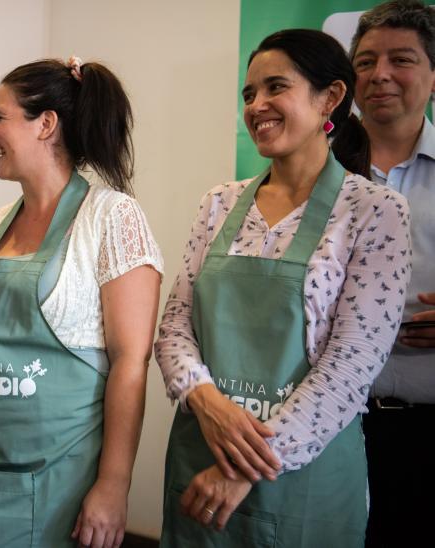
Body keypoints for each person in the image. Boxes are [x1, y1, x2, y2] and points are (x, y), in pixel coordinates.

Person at [155, 29, 411, 546]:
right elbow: (174, 325)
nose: (257, 106)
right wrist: (207, 403)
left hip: (301, 475)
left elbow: (351, 366)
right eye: (249, 94)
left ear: (331, 98)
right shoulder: (218, 204)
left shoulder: (375, 211)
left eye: (276, 88)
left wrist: (245, 466)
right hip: (201, 453)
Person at [0, 57, 163, 548]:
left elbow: (130, 363)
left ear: (46, 124)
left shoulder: (111, 218)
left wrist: (114, 485)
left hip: (57, 484)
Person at [349, 2, 435, 546]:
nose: (379, 74)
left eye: (400, 59)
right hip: (330, 428)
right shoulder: (311, 174)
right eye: (365, 61)